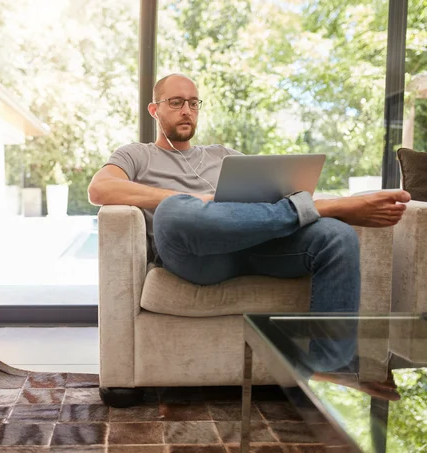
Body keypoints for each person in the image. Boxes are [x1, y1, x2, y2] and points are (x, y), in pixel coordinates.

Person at [88, 73, 410, 314]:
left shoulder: (222, 154)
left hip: (255, 243)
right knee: (174, 211)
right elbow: (100, 189)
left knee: (338, 237)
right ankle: (320, 207)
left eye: (193, 103)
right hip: (196, 254)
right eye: (176, 102)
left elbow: (270, 191)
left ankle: (331, 370)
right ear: (154, 110)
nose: (187, 110)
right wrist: (198, 202)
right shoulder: (137, 154)